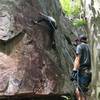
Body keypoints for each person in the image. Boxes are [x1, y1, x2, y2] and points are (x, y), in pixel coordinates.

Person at [70, 35, 92, 100]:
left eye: (77, 41)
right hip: (89, 72)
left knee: (80, 91)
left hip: (82, 72)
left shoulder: (80, 46)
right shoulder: (90, 47)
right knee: (82, 91)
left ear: (79, 40)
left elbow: (77, 59)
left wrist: (74, 71)